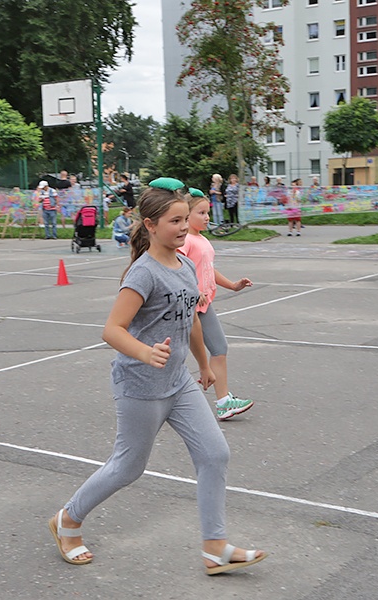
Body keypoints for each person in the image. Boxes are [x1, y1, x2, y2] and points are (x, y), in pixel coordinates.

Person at [48, 179, 267, 575]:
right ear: (150, 224)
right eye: (175, 221)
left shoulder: (184, 265)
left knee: (215, 454)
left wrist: (202, 364)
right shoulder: (143, 274)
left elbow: (191, 321)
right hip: (140, 386)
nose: (184, 227)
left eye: (186, 219)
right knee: (128, 467)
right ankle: (67, 520)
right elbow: (112, 330)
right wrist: (144, 352)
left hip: (178, 382)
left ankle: (215, 548)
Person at [180, 188, 255, 421]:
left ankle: (224, 402)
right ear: (186, 215)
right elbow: (177, 266)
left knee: (219, 348)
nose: (206, 217)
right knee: (174, 354)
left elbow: (207, 269)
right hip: (188, 306)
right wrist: (194, 290)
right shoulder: (185, 240)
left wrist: (232, 285)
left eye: (207, 212)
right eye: (201, 213)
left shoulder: (201, 239)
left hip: (203, 305)